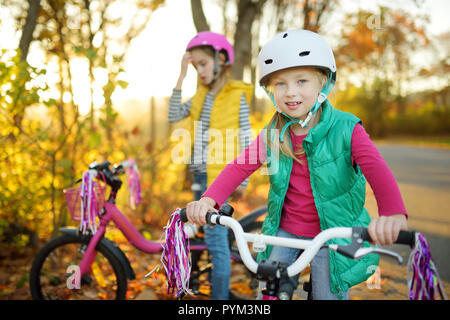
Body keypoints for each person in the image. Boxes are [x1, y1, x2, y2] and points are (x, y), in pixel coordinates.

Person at [185, 29, 408, 300]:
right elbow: (239, 166)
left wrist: (392, 213)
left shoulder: (346, 128)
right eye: (280, 84)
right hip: (287, 230)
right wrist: (209, 200)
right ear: (270, 91)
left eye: (301, 81)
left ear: (323, 82)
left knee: (327, 294)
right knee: (268, 291)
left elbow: (377, 169)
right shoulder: (273, 133)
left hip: (332, 233)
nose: (291, 92)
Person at [168, 31, 253, 300]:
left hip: (220, 180)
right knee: (205, 239)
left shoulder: (236, 95)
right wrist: (181, 76)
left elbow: (246, 135)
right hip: (200, 177)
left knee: (217, 247)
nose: (200, 71)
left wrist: (243, 181)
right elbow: (173, 114)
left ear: (221, 59)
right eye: (195, 67)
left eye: (203, 64)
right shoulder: (199, 96)